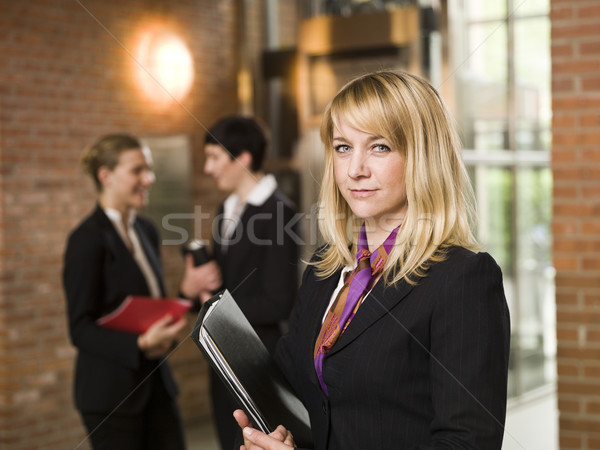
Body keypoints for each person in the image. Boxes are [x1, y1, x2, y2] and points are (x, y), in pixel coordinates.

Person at [234, 71, 511, 449]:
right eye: (343, 147)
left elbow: (467, 442)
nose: (355, 170)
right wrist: (272, 435)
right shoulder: (325, 268)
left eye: (380, 146)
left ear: (423, 155)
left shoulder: (462, 279)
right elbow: (301, 393)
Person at [63, 134, 220, 449]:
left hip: (156, 386)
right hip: (111, 396)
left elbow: (152, 307)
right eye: (138, 170)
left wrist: (186, 292)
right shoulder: (86, 240)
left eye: (149, 169)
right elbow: (80, 329)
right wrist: (139, 343)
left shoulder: (145, 230)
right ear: (105, 176)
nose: (149, 178)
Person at [201, 115, 300, 450]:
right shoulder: (225, 209)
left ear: (241, 158)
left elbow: (279, 301)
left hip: (256, 355)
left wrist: (216, 308)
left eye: (214, 157)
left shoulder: (279, 212)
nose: (208, 168)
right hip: (222, 354)